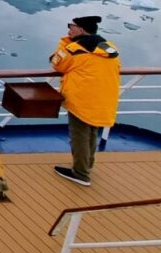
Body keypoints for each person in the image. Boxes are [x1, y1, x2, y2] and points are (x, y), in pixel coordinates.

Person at [50, 15, 121, 186]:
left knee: (79, 135)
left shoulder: (75, 48)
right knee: (91, 133)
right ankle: (87, 165)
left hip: (82, 98)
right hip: (103, 97)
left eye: (71, 26)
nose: (69, 29)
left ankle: (81, 174)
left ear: (81, 29)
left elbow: (57, 63)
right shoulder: (108, 47)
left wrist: (65, 41)